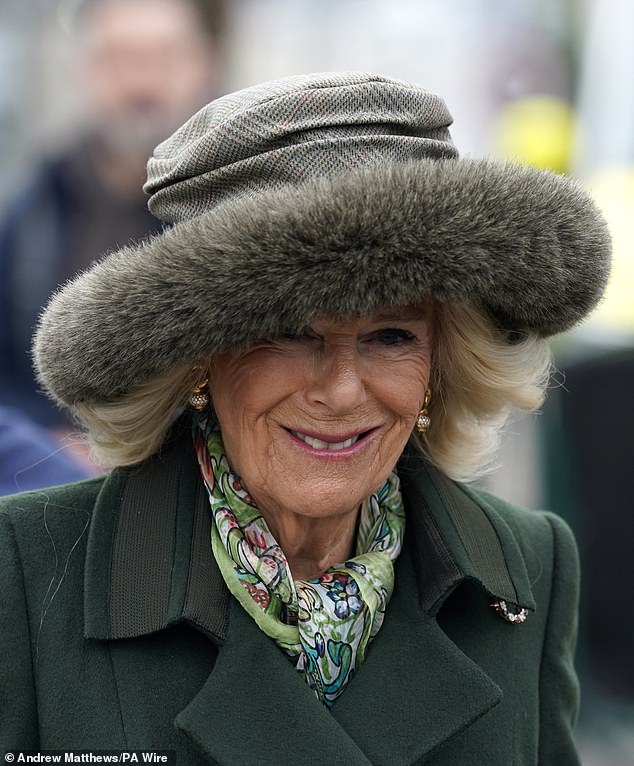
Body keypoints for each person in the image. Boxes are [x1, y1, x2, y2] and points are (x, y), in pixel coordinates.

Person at [0, 73, 611, 764]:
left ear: (442, 364)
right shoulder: (27, 572)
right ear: (199, 359)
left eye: (392, 336)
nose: (343, 390)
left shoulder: (526, 571)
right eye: (289, 334)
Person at [0, 0, 224, 427]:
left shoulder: (240, 204)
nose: (140, 81)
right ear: (80, 70)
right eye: (116, 59)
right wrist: (55, 444)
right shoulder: (32, 210)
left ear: (204, 65)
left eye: (163, 57)